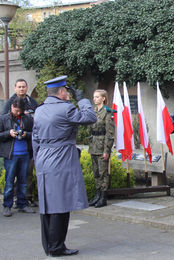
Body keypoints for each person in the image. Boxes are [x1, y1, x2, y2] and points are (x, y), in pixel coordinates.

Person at [32, 75, 97, 257]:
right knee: (61, 205)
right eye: (67, 91)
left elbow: (35, 139)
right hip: (60, 158)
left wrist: (38, 160)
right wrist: (82, 99)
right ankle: (56, 247)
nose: (68, 93)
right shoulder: (66, 108)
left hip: (44, 159)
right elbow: (90, 117)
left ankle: (50, 245)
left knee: (47, 205)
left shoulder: (39, 110)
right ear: (61, 92)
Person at [3, 79, 39, 207]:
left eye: (24, 86)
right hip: (12, 151)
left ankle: (25, 200)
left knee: (26, 177)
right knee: (10, 178)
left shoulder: (32, 103)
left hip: (27, 150)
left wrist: (26, 134)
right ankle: (8, 203)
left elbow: (36, 130)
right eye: (19, 87)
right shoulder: (8, 107)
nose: (22, 89)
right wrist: (9, 133)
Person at [0, 97, 35, 217]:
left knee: (23, 181)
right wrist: (8, 133)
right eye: (16, 111)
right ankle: (7, 206)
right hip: (11, 155)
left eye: (20, 111)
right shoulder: (3, 119)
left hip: (25, 154)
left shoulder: (28, 119)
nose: (18, 113)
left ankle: (22, 204)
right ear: (11, 107)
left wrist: (26, 134)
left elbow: (35, 133)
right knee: (9, 181)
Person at [88, 89, 115, 208]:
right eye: (94, 97)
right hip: (93, 145)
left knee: (103, 172)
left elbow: (109, 134)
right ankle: (97, 194)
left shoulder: (107, 112)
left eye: (97, 97)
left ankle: (103, 197)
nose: (95, 99)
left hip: (102, 145)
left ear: (103, 98)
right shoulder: (93, 111)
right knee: (96, 172)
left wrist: (106, 150)